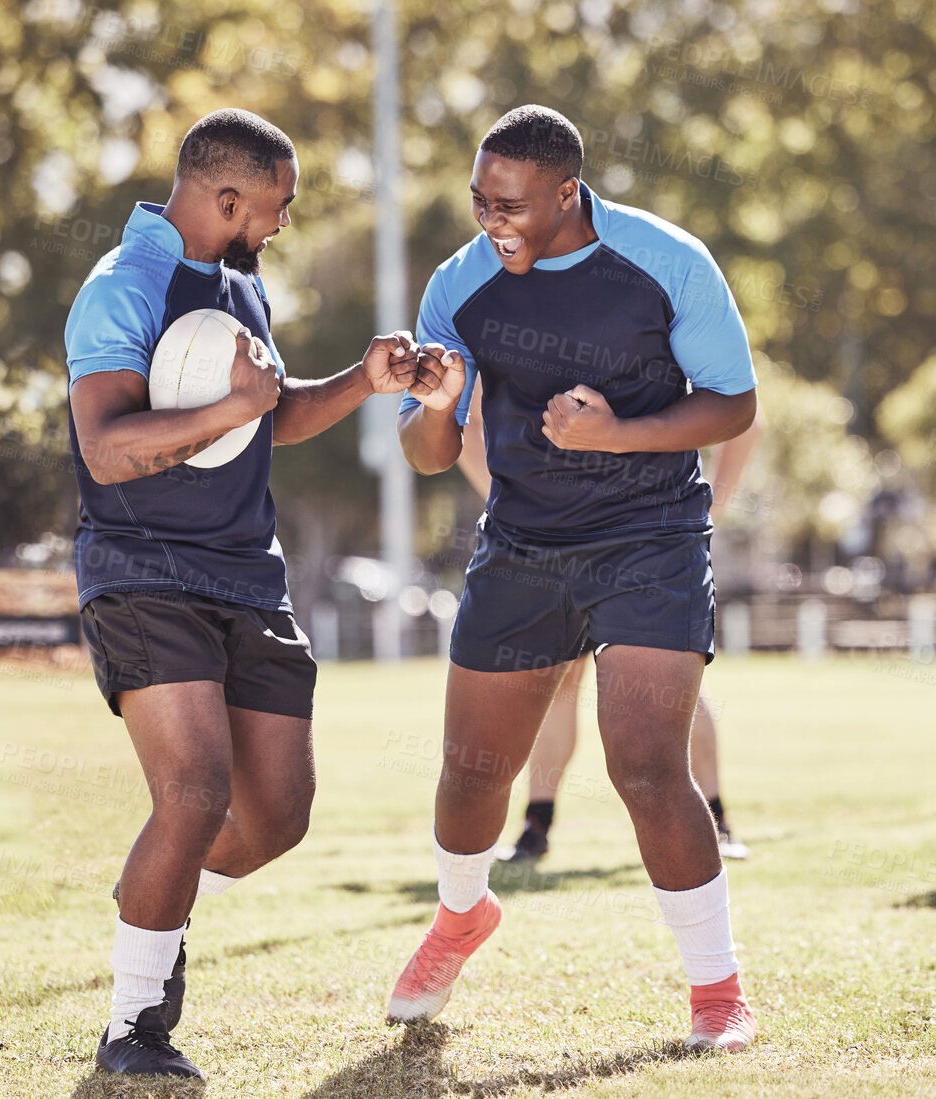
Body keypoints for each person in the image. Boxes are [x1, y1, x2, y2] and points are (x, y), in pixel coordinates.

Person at [390, 105, 759, 1051]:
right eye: (478, 201)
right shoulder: (459, 286)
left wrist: (618, 434)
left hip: (651, 538)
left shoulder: (667, 261)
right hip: (522, 543)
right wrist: (433, 405)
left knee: (643, 762)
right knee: (472, 772)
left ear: (567, 193)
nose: (491, 222)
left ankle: (716, 991)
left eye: (510, 205)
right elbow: (430, 452)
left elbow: (733, 403)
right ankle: (460, 914)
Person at [64, 108, 415, 1079]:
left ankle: (157, 893)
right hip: (142, 570)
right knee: (193, 789)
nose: (281, 228)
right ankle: (135, 1023)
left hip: (245, 575)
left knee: (275, 818)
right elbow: (107, 446)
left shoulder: (237, 288)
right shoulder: (120, 287)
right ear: (227, 197)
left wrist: (362, 380)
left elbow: (268, 417)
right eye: (276, 209)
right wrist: (231, 403)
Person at [451, 384, 762, 863]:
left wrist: (709, 507)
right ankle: (537, 825)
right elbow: (465, 420)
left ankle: (716, 820)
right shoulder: (519, 335)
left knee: (669, 686)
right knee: (559, 685)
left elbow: (744, 418)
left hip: (646, 543)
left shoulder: (660, 330)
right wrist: (507, 500)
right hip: (553, 546)